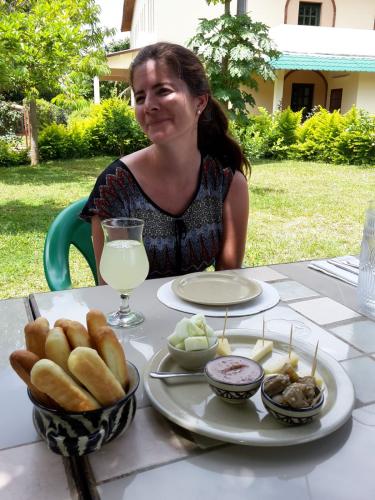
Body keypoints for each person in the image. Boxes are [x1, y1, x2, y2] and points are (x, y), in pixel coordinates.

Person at [80, 42, 250, 282]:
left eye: (163, 91)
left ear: (199, 102)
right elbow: (112, 289)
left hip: (200, 315)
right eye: (140, 97)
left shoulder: (226, 182)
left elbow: (228, 278)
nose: (149, 105)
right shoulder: (115, 187)